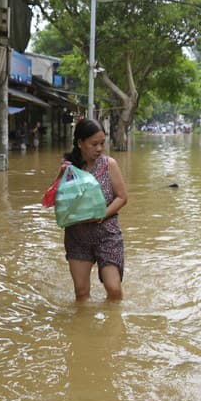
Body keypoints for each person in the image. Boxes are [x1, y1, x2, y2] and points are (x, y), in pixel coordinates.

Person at [55, 118, 128, 301]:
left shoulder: (109, 164)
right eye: (94, 144)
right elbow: (56, 201)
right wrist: (60, 176)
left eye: (102, 143)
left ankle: (112, 327)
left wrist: (101, 215)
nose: (99, 149)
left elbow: (122, 197)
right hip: (77, 237)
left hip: (107, 235)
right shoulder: (69, 168)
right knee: (81, 293)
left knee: (114, 290)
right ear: (80, 143)